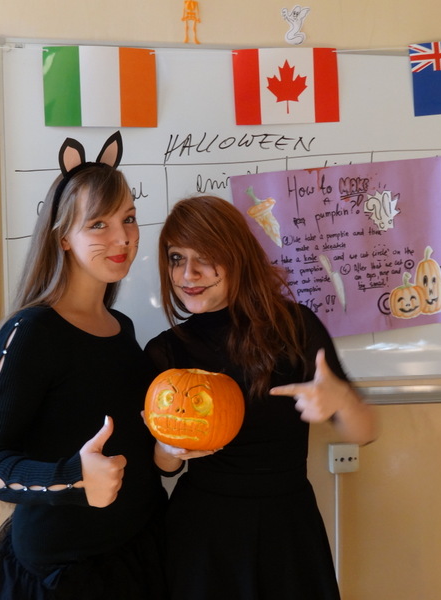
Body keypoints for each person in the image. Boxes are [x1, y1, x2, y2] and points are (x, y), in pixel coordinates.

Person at [145, 195, 378, 600]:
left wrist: (341, 400)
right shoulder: (166, 351)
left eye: (205, 258)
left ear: (237, 257)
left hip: (287, 526)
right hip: (203, 533)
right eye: (176, 258)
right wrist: (168, 450)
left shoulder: (295, 327)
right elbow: (163, 469)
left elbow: (365, 432)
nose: (188, 274)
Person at [0, 132, 167, 600]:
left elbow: (137, 449)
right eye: (98, 224)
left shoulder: (122, 328)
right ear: (62, 237)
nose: (123, 238)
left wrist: (170, 451)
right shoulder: (31, 332)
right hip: (62, 575)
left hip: (138, 555)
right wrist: (73, 478)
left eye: (129, 218)